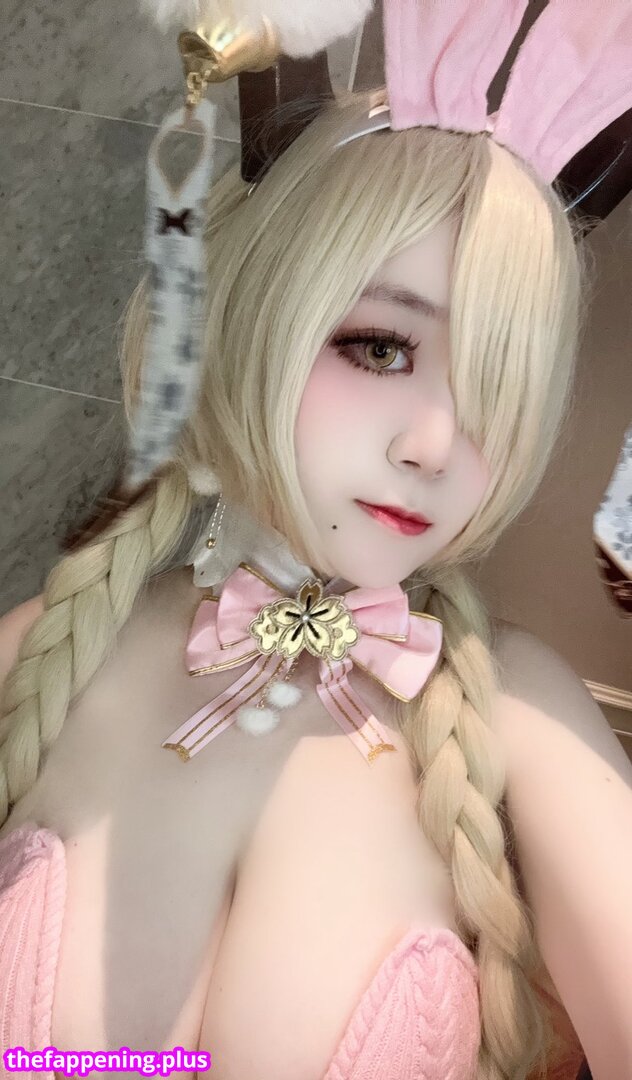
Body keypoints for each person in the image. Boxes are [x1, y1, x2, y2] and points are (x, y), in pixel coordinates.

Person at [0, 4, 630, 1078]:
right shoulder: (47, 650)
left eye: (499, 391)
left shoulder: (518, 712)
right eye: (379, 347)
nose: (438, 445)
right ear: (249, 314)